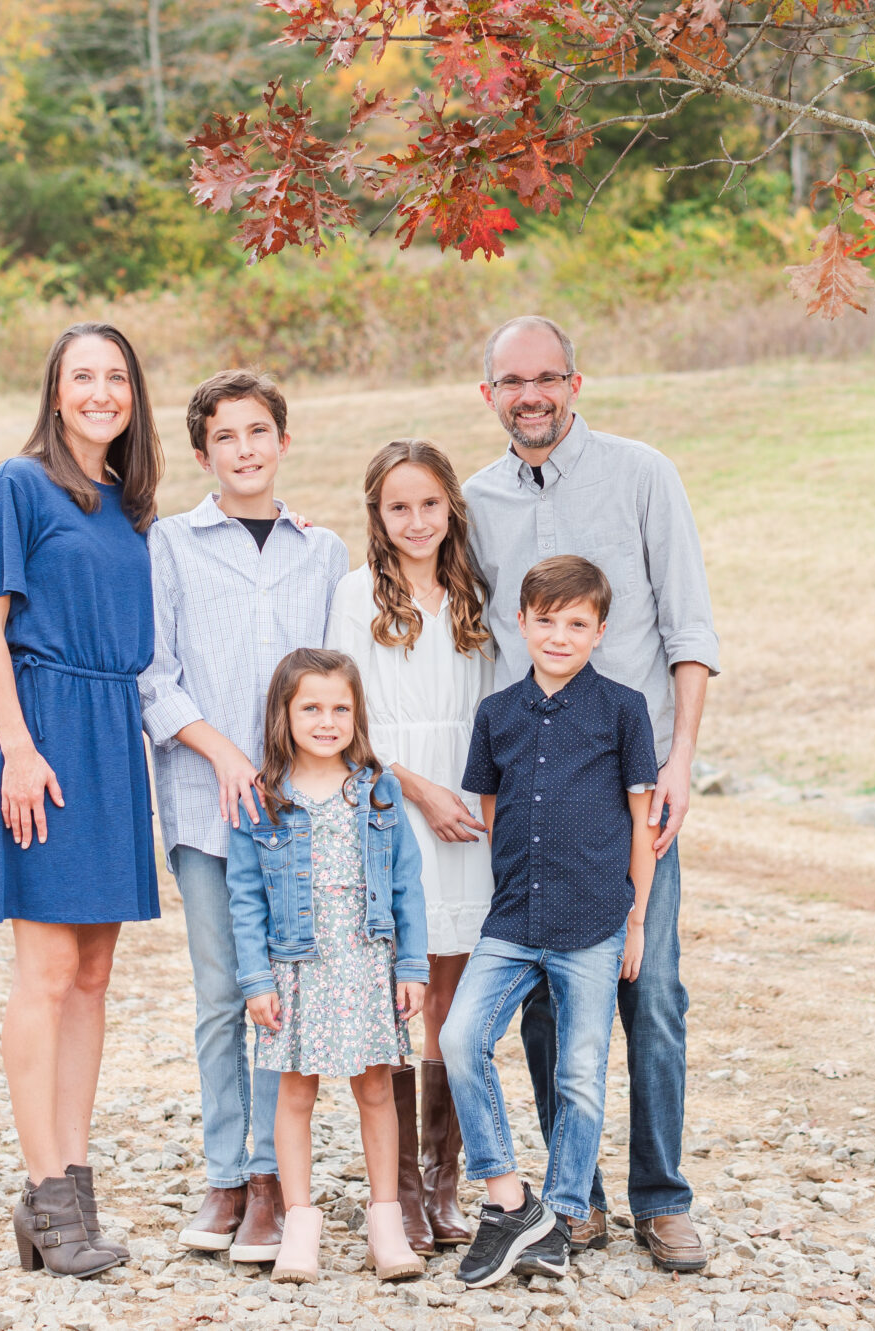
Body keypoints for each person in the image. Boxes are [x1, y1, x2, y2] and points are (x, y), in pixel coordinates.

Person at [463, 316, 717, 1271]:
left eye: (547, 377)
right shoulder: (474, 500)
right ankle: (580, 1202)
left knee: (648, 992)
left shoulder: (643, 475)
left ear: (577, 382)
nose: (531, 394)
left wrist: (682, 759)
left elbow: (690, 630)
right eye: (511, 381)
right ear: (487, 394)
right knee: (541, 1004)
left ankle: (662, 1197)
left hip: (632, 793)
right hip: (528, 798)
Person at [0, 322, 163, 1279]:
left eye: (116, 376)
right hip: (42, 729)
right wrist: (17, 748)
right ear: (55, 391)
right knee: (44, 971)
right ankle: (45, 1195)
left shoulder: (130, 503)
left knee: (93, 976)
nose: (100, 391)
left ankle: (73, 1186)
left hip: (111, 735)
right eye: (82, 375)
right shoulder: (17, 484)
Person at [138, 370, 348, 1264]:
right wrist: (223, 751)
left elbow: (339, 679)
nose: (246, 449)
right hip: (204, 803)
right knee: (223, 993)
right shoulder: (172, 543)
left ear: (284, 441)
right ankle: (227, 1172)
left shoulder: (323, 549)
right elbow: (152, 671)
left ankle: (273, 1177)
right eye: (226, 437)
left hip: (300, 816)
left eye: (259, 431)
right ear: (202, 454)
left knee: (284, 997)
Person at [440, 555, 658, 1289]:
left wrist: (635, 922)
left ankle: (560, 1219)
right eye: (545, 620)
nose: (559, 635)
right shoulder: (497, 713)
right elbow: (496, 814)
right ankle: (509, 1198)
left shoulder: (624, 709)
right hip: (513, 918)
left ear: (599, 630)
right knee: (460, 1037)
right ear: (523, 622)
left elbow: (640, 821)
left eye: (576, 623)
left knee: (581, 1074)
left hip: (595, 920)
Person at [326, 439, 502, 1251]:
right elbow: (345, 722)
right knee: (398, 999)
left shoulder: (476, 593)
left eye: (430, 503)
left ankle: (444, 1184)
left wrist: (479, 800)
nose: (417, 520)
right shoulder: (357, 594)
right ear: (377, 515)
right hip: (395, 809)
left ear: (451, 507)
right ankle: (394, 1188)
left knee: (454, 1004)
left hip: (469, 815)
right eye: (399, 506)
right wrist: (420, 790)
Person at [228, 649, 432, 1284]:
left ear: (357, 714)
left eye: (340, 708)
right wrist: (257, 981)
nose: (326, 720)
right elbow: (244, 897)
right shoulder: (264, 798)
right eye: (310, 707)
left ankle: (386, 1222)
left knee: (376, 1087)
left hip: (368, 961)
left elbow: (407, 884)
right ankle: (299, 1224)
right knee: (295, 1092)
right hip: (297, 967)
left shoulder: (378, 790)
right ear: (283, 715)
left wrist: (412, 965)